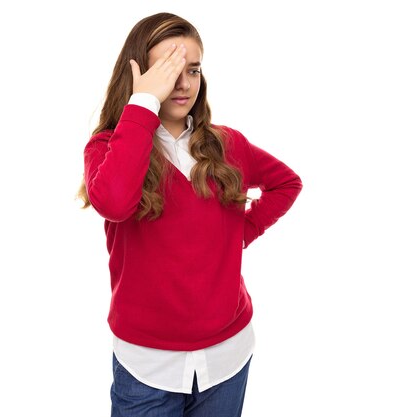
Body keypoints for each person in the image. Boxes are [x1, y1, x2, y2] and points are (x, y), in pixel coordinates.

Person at [78, 12, 302, 417]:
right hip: (147, 370)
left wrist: (237, 234)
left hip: (226, 360)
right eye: (168, 70)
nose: (183, 83)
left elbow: (286, 184)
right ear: (140, 75)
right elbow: (112, 201)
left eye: (193, 69)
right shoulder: (108, 148)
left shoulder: (227, 144)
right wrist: (143, 102)